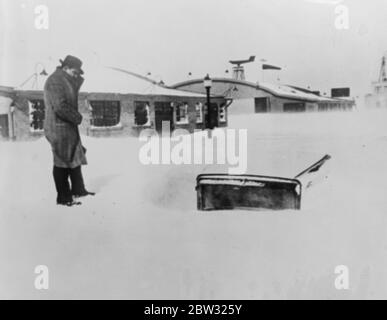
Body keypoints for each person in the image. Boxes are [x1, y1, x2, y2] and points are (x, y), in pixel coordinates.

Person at [44, 55, 95, 206]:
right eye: (75, 72)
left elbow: (69, 95)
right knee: (62, 162)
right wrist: (77, 117)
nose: (77, 75)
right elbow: (60, 106)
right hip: (58, 128)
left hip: (66, 127)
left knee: (74, 158)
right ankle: (64, 198)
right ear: (65, 68)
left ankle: (78, 190)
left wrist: (76, 78)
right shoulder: (55, 80)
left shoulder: (65, 80)